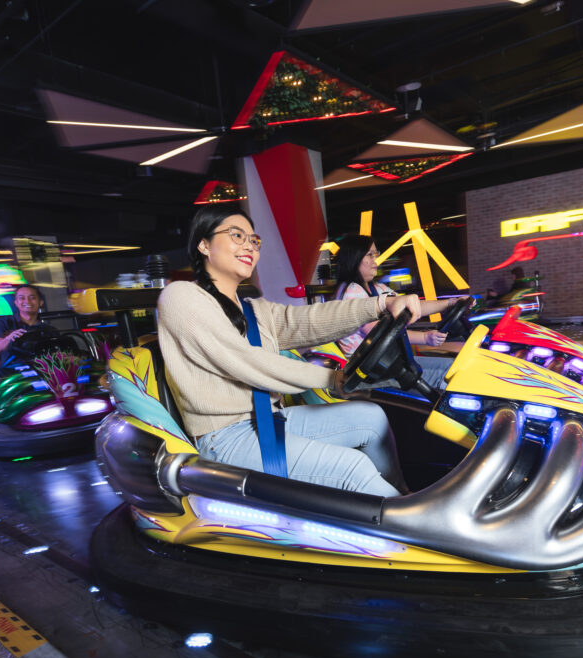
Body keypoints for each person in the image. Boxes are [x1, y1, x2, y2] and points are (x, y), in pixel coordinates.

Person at [156, 206, 424, 497]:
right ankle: (412, 530)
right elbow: (246, 362)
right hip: (225, 437)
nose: (249, 245)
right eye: (237, 235)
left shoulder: (253, 309)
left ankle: (401, 500)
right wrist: (331, 378)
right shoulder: (181, 296)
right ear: (204, 244)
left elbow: (308, 321)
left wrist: (378, 305)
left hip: (270, 418)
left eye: (254, 240)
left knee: (371, 418)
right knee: (352, 467)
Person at [332, 234, 461, 389]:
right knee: (448, 374)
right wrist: (425, 337)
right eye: (369, 255)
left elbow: (412, 306)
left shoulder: (376, 288)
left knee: (454, 367)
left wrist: (449, 303)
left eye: (375, 254)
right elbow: (376, 332)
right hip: (367, 372)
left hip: (386, 361)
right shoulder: (351, 292)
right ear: (355, 257)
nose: (375, 260)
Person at [0, 284, 46, 389]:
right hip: (14, 370)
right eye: (22, 298)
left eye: (32, 298)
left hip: (41, 369)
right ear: (16, 303)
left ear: (40, 302)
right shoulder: (3, 323)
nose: (27, 301)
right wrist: (9, 338)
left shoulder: (48, 329)